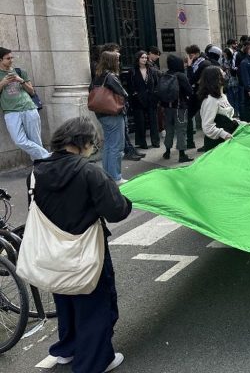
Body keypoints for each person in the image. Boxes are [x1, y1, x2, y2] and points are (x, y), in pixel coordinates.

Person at [28, 116, 132, 373]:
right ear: (83, 143)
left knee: (65, 298)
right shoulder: (90, 172)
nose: (92, 149)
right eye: (92, 144)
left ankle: (67, 348)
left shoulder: (36, 172)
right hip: (86, 249)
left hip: (52, 252)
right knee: (95, 303)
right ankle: (95, 361)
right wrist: (126, 200)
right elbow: (116, 211)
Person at [0, 47, 50, 161]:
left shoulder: (19, 72)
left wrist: (20, 80)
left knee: (35, 141)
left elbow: (32, 91)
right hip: (11, 112)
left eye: (12, 57)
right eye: (8, 58)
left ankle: (40, 168)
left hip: (29, 108)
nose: (11, 60)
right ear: (0, 60)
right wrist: (3, 83)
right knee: (19, 140)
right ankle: (48, 157)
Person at [90, 51, 129, 184]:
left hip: (102, 114)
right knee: (116, 146)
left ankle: (107, 174)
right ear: (112, 61)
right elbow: (123, 93)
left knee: (108, 145)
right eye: (117, 60)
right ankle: (115, 177)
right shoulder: (111, 76)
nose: (118, 62)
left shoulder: (98, 75)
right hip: (113, 113)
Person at [198, 66, 248, 151]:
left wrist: (243, 124)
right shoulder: (210, 100)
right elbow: (207, 127)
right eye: (222, 74)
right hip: (217, 144)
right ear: (215, 79)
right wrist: (224, 134)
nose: (225, 75)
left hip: (227, 139)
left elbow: (228, 118)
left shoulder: (222, 96)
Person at [161, 54, 194, 163]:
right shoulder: (181, 75)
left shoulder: (166, 74)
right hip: (180, 106)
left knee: (169, 128)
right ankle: (181, 154)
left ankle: (167, 151)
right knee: (181, 130)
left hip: (167, 107)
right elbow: (190, 91)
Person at [127, 51, 160, 149]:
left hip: (151, 98)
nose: (144, 59)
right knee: (140, 122)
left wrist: (155, 94)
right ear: (138, 58)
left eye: (145, 58)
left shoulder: (151, 70)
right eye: (142, 57)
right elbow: (130, 86)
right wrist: (134, 93)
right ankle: (142, 142)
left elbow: (156, 83)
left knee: (153, 121)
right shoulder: (132, 71)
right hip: (138, 100)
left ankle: (155, 141)